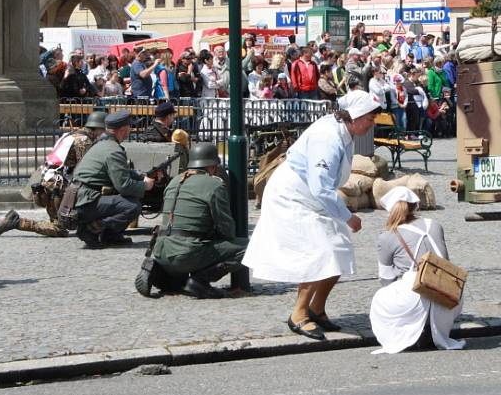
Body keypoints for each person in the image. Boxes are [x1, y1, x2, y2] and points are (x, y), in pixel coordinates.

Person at [242, 91, 380, 340]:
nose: (374, 123)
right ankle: (299, 314)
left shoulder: (343, 130)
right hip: (293, 196)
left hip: (313, 196)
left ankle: (317, 309)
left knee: (340, 248)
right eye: (371, 118)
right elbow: (320, 186)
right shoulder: (327, 137)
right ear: (356, 116)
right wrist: (347, 216)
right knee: (319, 252)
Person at [136, 143, 248, 299]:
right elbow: (226, 228)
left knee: (178, 281)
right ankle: (199, 281)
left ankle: (159, 271)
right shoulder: (214, 185)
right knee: (250, 249)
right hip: (187, 253)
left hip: (160, 250)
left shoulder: (174, 182)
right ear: (213, 166)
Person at [369, 186, 465, 354]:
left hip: (414, 293)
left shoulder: (387, 236)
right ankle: (432, 327)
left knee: (380, 298)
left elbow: (385, 278)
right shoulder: (435, 225)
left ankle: (407, 332)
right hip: (448, 293)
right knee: (421, 297)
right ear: (415, 206)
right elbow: (445, 261)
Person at [0, 112, 107, 238]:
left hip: (48, 179)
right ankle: (16, 222)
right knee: (60, 229)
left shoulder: (70, 135)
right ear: (97, 128)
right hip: (57, 184)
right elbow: (85, 168)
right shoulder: (84, 140)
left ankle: (15, 221)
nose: (103, 134)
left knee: (59, 223)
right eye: (103, 130)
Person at [72, 110, 156, 248]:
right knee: (132, 206)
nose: (131, 129)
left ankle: (111, 235)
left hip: (80, 197)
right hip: (86, 201)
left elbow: (119, 172)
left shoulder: (101, 145)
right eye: (130, 127)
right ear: (123, 129)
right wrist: (144, 185)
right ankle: (91, 230)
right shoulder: (114, 151)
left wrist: (141, 176)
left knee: (126, 201)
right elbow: (123, 186)